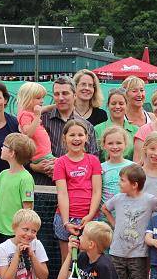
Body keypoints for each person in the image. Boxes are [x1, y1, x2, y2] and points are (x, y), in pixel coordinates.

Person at [101, 164, 157, 279]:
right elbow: (105, 208)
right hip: (117, 251)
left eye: (122, 180)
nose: (119, 183)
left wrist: (153, 231)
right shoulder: (118, 198)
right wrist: (115, 224)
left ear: (134, 184)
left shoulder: (149, 200)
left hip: (139, 253)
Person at [53, 119, 103, 264]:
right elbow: (62, 193)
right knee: (67, 261)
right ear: (64, 138)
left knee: (89, 262)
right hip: (66, 219)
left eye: (80, 135)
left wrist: (90, 215)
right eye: (72, 135)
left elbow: (97, 191)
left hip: (90, 219)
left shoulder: (93, 160)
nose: (76, 138)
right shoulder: (60, 162)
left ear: (86, 137)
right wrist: (66, 222)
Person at [0, 133, 35, 252]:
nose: (1, 148)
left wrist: (23, 232)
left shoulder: (26, 178)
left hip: (13, 234)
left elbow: (27, 209)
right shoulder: (3, 174)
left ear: (12, 153)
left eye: (4, 146)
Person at [42, 76, 100, 161]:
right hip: (45, 169)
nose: (61, 98)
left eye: (65, 93)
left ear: (75, 95)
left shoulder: (86, 126)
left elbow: (94, 158)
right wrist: (34, 166)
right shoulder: (42, 120)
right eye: (57, 94)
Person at [15, 82, 55, 169]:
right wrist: (37, 116)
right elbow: (28, 134)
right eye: (38, 98)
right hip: (41, 156)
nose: (42, 101)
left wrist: (55, 106)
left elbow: (45, 108)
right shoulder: (25, 115)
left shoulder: (32, 112)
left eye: (42, 98)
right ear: (28, 99)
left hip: (46, 154)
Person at [95, 88, 137, 161]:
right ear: (108, 105)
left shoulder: (136, 130)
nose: (117, 107)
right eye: (113, 103)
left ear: (126, 105)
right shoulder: (97, 130)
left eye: (121, 103)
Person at [100, 126, 135, 208]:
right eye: (110, 143)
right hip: (104, 214)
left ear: (125, 144)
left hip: (128, 213)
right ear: (104, 145)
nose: (115, 147)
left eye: (119, 143)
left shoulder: (133, 167)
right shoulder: (100, 168)